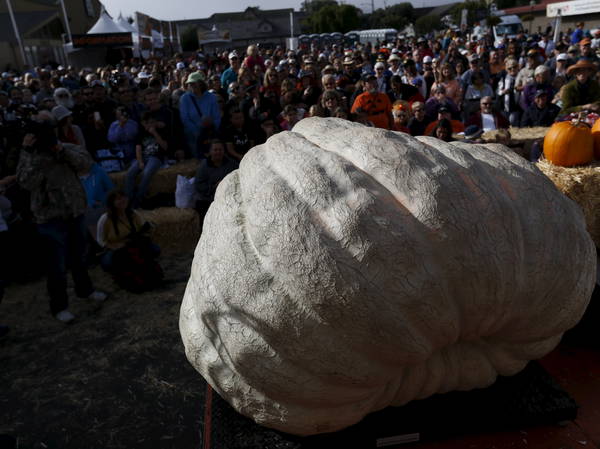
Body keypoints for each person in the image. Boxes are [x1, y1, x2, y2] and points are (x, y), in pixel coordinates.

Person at [16, 123, 107, 323]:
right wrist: (31, 154)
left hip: (74, 212)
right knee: (56, 267)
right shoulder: (30, 156)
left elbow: (86, 164)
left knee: (80, 258)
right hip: (49, 218)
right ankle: (60, 307)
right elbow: (25, 182)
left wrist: (61, 151)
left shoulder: (65, 148)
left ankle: (86, 291)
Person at [97, 190, 161, 291]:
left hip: (131, 246)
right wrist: (113, 246)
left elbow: (143, 229)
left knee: (155, 250)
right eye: (118, 199)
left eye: (123, 197)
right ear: (112, 203)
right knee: (108, 263)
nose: (122, 201)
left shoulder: (133, 214)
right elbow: (100, 240)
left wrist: (149, 229)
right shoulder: (105, 218)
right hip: (114, 249)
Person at [180, 72, 221, 158]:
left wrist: (212, 125)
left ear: (201, 83)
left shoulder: (212, 97)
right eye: (190, 83)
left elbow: (217, 117)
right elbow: (185, 119)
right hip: (193, 138)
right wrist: (198, 132)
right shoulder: (185, 98)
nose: (191, 85)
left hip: (210, 136)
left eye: (194, 83)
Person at [194, 139, 238, 220]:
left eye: (220, 150)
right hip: (207, 199)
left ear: (224, 151)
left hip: (227, 197)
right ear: (210, 152)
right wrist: (215, 186)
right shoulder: (203, 166)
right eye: (215, 150)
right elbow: (198, 185)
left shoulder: (232, 164)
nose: (218, 152)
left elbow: (238, 178)